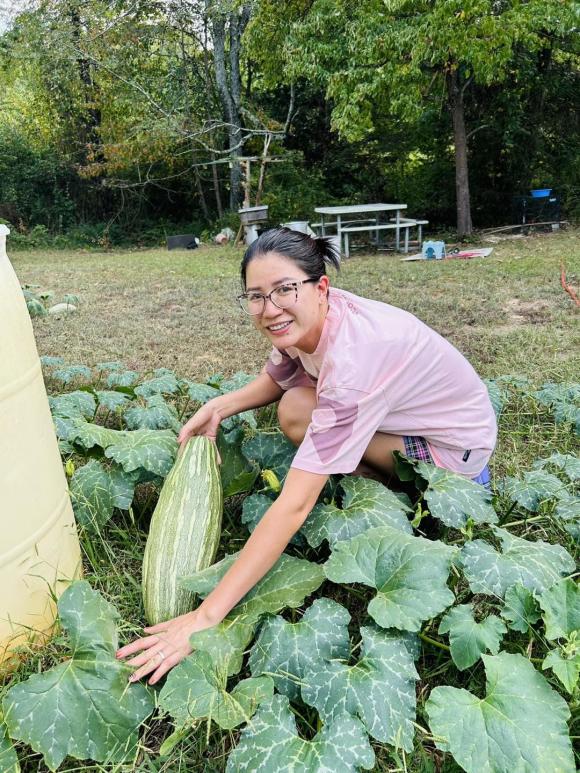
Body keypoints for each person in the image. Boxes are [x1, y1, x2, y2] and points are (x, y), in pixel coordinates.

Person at [116, 226, 497, 683]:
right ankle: (361, 469)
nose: (270, 309)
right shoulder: (309, 319)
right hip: (404, 422)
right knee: (297, 407)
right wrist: (218, 406)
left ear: (320, 287)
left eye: (283, 290)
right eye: (255, 296)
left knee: (306, 449)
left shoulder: (353, 362)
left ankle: (402, 498)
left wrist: (205, 617)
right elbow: (278, 380)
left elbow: (294, 505)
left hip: (452, 458)